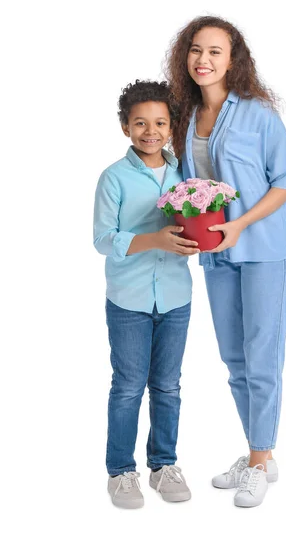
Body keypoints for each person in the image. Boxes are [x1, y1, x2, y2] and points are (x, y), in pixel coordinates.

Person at [166, 16, 286, 508]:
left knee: (262, 356)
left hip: (264, 249)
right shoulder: (182, 117)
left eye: (215, 52)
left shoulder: (258, 114)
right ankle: (259, 457)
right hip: (214, 254)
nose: (203, 60)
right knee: (235, 360)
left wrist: (241, 225)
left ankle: (260, 459)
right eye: (195, 50)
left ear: (233, 60)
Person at [93, 80, 199, 508]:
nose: (149, 131)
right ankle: (121, 471)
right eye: (140, 123)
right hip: (129, 300)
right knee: (128, 387)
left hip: (175, 297)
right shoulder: (113, 178)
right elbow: (103, 239)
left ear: (172, 126)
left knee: (168, 386)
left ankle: (163, 465)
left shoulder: (184, 175)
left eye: (159, 122)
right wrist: (154, 239)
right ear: (125, 127)